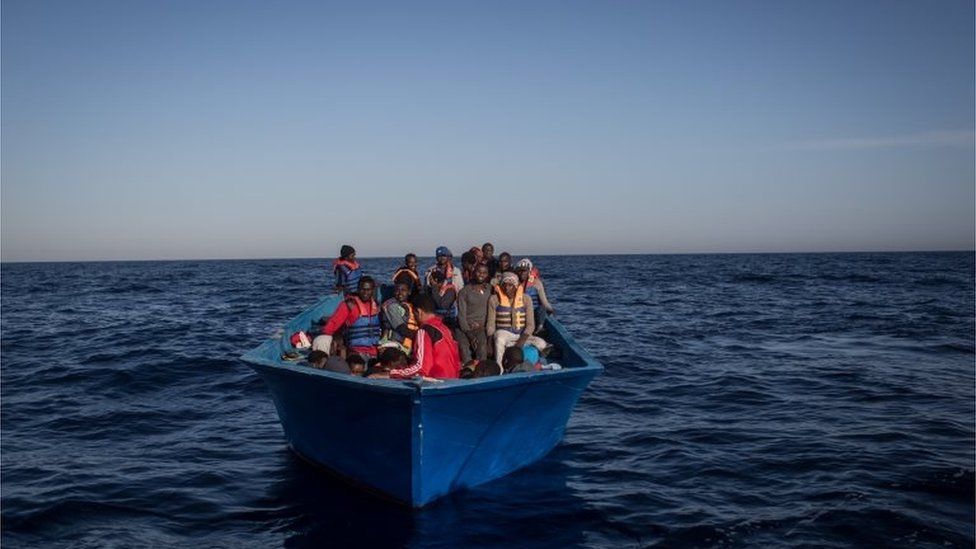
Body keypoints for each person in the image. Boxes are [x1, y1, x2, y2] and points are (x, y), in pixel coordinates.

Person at [389, 294, 461, 379]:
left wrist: (392, 373)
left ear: (418, 312)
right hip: (453, 380)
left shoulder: (424, 331)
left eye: (414, 314)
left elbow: (421, 367)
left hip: (435, 382)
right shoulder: (446, 329)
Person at [487, 272, 547, 362]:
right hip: (505, 335)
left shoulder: (526, 299)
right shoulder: (494, 299)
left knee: (542, 344)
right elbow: (490, 324)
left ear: (516, 286)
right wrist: (490, 341)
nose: (507, 288)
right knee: (499, 338)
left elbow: (530, 325)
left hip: (521, 336)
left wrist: (520, 343)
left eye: (510, 285)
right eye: (504, 285)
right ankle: (500, 367)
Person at [317, 276, 382, 358]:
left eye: (368, 290)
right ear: (358, 289)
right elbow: (332, 325)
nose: (365, 293)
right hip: (356, 351)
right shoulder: (349, 305)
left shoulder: (376, 307)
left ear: (373, 291)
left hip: (375, 351)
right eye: (363, 289)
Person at [456, 263, 491, 362]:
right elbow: (461, 315)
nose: (481, 275)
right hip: (465, 328)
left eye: (484, 273)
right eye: (479, 272)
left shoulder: (490, 289)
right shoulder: (464, 291)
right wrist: (469, 333)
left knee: (482, 347)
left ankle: (481, 372)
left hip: (481, 327)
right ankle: (468, 371)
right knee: (464, 347)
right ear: (474, 272)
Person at [515, 258, 555, 332]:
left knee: (542, 308)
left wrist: (551, 310)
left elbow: (544, 302)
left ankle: (540, 328)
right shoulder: (514, 283)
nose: (522, 273)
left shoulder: (537, 283)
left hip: (534, 312)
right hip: (520, 312)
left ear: (529, 271)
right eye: (520, 270)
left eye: (524, 270)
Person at [380, 281, 419, 352]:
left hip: (406, 346)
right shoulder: (391, 306)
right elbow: (401, 328)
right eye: (397, 290)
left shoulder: (410, 306)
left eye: (403, 290)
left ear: (409, 292)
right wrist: (420, 336)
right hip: (392, 344)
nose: (400, 293)